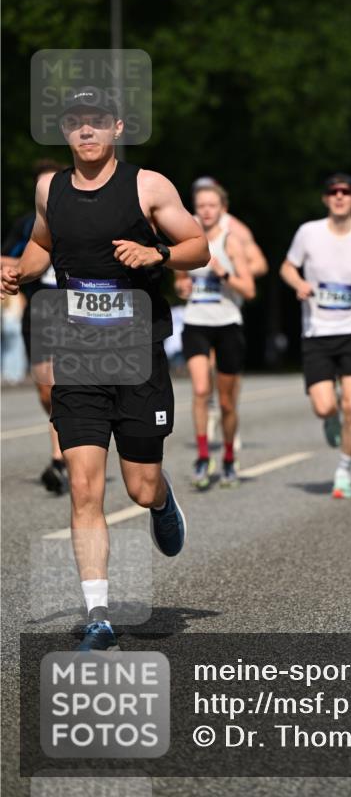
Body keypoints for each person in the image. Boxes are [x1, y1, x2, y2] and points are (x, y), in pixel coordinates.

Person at [1, 87, 209, 650]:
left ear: (117, 127)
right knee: (85, 488)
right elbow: (43, 244)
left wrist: (158, 254)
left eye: (96, 122)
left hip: (137, 354)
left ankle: (162, 502)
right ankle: (99, 615)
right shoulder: (51, 189)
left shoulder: (148, 186)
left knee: (138, 487)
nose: (86, 131)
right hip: (78, 356)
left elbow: (199, 245)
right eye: (75, 123)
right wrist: (18, 270)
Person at [280, 173, 351, 499]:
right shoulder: (308, 233)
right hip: (316, 332)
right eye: (333, 192)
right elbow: (286, 267)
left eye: (346, 192)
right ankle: (330, 419)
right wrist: (298, 283)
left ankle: (344, 470)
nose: (339, 196)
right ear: (326, 199)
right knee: (325, 406)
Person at [174, 182, 255, 490]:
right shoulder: (188, 240)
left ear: (222, 209)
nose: (206, 211)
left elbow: (249, 289)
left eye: (212, 206)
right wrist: (182, 286)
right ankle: (203, 456)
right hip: (196, 322)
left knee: (226, 403)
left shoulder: (231, 243)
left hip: (227, 324)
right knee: (199, 389)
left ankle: (230, 457)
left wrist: (224, 274)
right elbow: (180, 278)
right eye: (201, 206)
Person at [1, 159, 67, 492]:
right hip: (40, 311)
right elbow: (5, 258)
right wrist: (25, 266)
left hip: (75, 311)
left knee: (62, 384)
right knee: (46, 389)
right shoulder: (28, 224)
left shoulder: (85, 219)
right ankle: (66, 442)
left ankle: (60, 457)